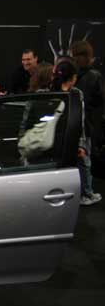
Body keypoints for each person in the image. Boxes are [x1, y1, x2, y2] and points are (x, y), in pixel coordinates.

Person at [52, 59, 101, 206]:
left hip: (57, 137)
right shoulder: (76, 93)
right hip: (74, 136)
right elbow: (80, 119)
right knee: (84, 164)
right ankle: (86, 194)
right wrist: (81, 144)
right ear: (73, 77)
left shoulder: (52, 91)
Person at [71, 41, 104, 161]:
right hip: (84, 129)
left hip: (85, 129)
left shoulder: (91, 77)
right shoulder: (90, 76)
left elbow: (94, 104)